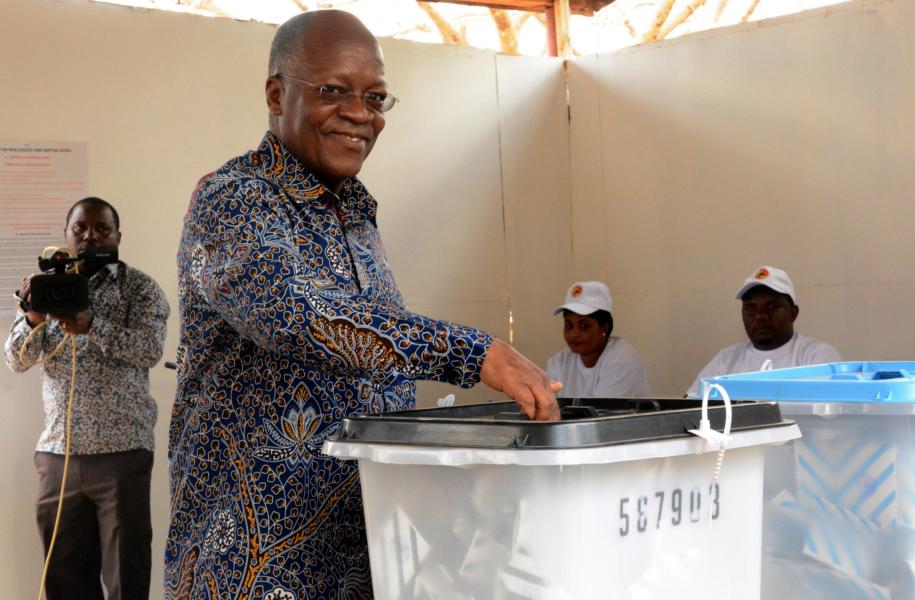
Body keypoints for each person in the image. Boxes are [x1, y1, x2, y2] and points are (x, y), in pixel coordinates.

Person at [166, 10, 560, 599]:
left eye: (375, 98)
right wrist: (475, 353)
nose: (360, 114)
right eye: (334, 91)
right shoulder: (234, 200)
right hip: (253, 566)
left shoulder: (353, 210)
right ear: (277, 94)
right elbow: (297, 316)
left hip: (368, 550)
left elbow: (375, 361)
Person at [4, 197, 169, 600]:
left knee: (124, 575)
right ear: (66, 235)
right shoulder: (44, 288)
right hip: (58, 454)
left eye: (101, 228)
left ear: (118, 237)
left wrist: (92, 325)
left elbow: (149, 349)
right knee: (63, 578)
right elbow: (15, 361)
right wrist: (33, 318)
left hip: (122, 452)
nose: (90, 235)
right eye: (80, 228)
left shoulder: (139, 288)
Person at [686, 265, 841, 396]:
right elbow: (688, 405)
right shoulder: (726, 360)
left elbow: (831, 418)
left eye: (772, 306)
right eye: (750, 308)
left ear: (793, 313)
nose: (760, 316)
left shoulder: (817, 356)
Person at [547, 281, 651, 398]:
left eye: (584, 326)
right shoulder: (559, 362)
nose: (574, 334)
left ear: (604, 328)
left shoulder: (622, 361)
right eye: (569, 325)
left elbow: (603, 415)